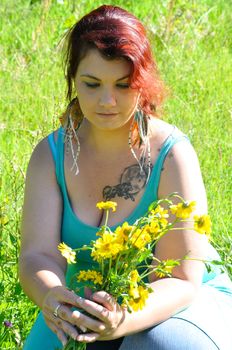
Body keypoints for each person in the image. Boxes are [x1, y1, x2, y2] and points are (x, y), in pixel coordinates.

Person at [19, 5, 232, 350]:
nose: (107, 100)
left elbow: (181, 279)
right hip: (83, 305)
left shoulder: (170, 154)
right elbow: (36, 255)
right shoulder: (51, 155)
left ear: (143, 83)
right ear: (73, 78)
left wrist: (122, 322)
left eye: (123, 84)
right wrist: (53, 297)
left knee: (161, 343)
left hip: (179, 306)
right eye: (92, 84)